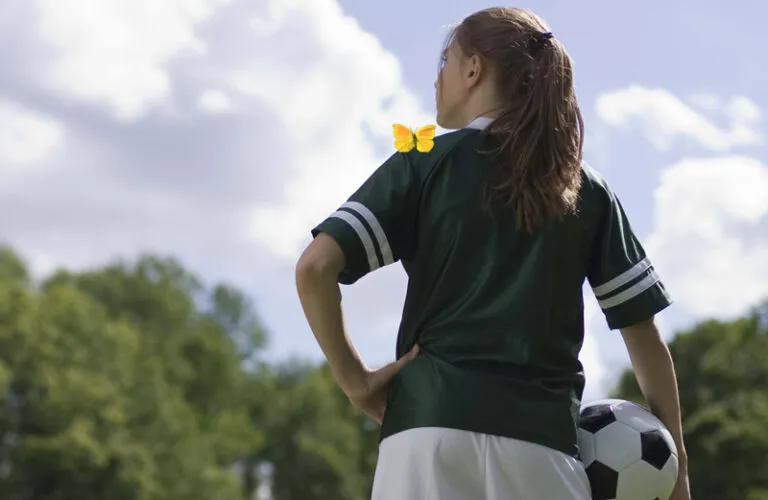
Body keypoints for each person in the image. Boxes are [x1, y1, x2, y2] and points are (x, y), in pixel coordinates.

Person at [295, 6, 690, 500]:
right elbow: (644, 336)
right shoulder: (586, 189)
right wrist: (678, 478)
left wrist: (355, 382)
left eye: (444, 60)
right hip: (543, 448)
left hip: (426, 433)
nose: (436, 77)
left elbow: (315, 267)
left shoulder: (422, 161)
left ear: (473, 68)